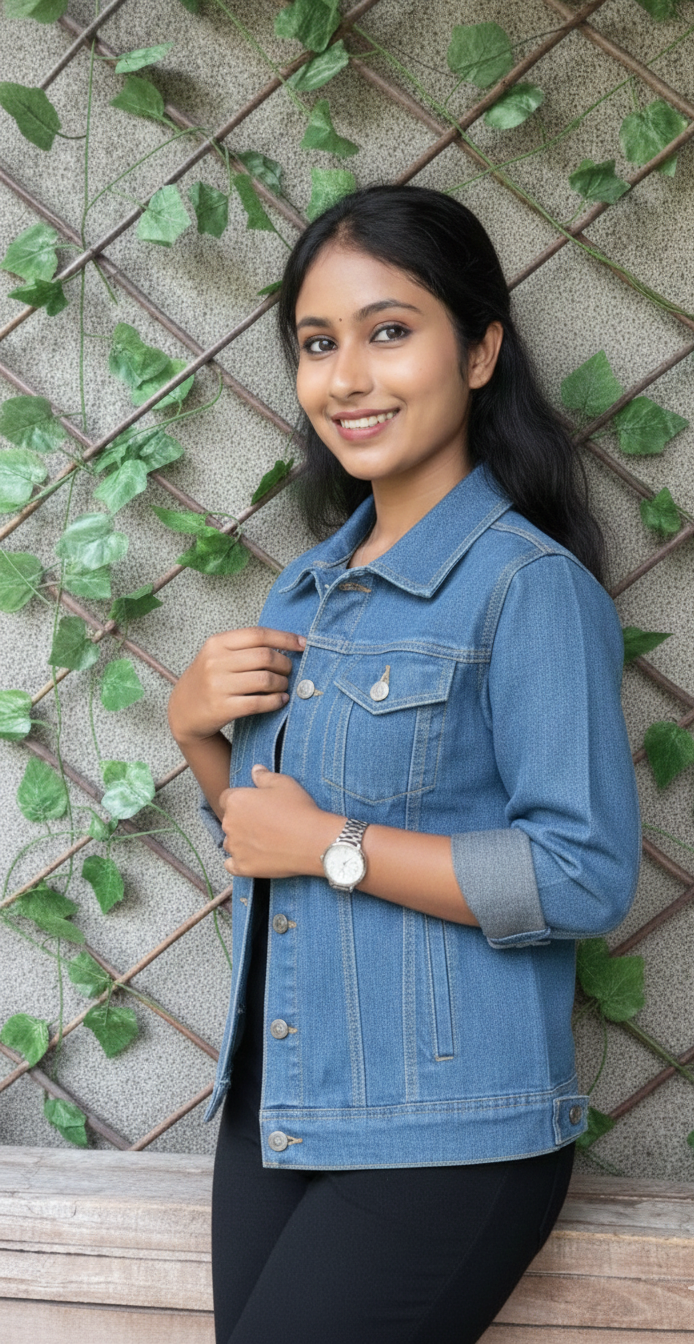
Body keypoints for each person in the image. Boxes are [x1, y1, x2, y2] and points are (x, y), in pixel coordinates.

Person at [167, 185, 641, 1344]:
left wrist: (334, 845)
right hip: (281, 1113)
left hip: (449, 1134)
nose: (347, 377)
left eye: (390, 331)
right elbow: (265, 843)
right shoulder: (304, 591)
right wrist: (196, 740)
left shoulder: (528, 590)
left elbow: (582, 874)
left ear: (479, 352)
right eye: (317, 344)